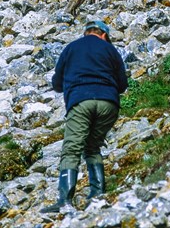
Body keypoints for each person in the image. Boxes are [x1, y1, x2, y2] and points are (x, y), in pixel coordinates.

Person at [40, 21, 128, 213]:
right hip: (108, 104)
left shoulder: (71, 48)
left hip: (81, 102)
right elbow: (122, 84)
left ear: (86, 32)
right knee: (92, 146)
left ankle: (64, 201)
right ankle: (97, 194)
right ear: (104, 35)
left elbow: (56, 83)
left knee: (72, 148)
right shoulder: (110, 50)